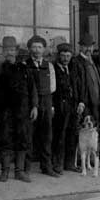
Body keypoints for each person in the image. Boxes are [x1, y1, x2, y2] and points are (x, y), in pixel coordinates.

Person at [0, 36, 38, 183]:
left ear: (16, 51)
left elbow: (33, 89)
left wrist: (35, 106)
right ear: (3, 51)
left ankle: (19, 172)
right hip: (5, 111)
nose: (10, 52)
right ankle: (4, 172)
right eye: (7, 49)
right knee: (6, 140)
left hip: (23, 111)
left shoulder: (25, 68)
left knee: (22, 140)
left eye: (12, 49)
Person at [72, 33, 100, 166]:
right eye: (85, 46)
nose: (88, 49)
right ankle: (84, 161)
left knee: (98, 132)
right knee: (85, 133)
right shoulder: (76, 62)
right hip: (86, 103)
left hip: (99, 103)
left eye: (91, 46)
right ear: (80, 47)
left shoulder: (94, 61)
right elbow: (77, 85)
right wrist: (81, 101)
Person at [25, 35, 58, 177]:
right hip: (30, 105)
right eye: (34, 47)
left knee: (47, 136)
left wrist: (49, 105)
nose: (37, 50)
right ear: (29, 49)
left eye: (39, 47)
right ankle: (25, 169)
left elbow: (53, 87)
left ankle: (47, 167)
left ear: (44, 49)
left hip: (46, 103)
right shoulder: (25, 65)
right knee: (28, 136)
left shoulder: (49, 65)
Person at [51, 43, 80, 174]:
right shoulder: (53, 69)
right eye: (63, 56)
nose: (66, 58)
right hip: (60, 107)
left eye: (68, 56)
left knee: (72, 135)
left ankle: (69, 164)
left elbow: (77, 87)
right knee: (59, 136)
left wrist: (80, 102)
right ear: (58, 56)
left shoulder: (72, 69)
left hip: (72, 107)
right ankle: (58, 164)